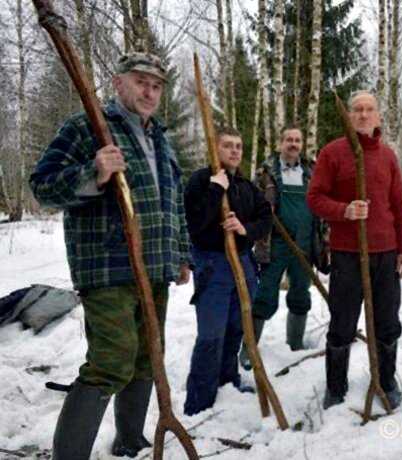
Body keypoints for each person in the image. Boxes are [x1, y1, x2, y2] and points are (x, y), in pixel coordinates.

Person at [29, 52, 192, 459]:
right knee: (111, 361)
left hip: (154, 267)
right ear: (118, 83)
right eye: (140, 82)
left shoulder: (160, 138)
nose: (149, 91)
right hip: (106, 266)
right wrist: (93, 172)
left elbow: (172, 203)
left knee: (145, 358)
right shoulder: (89, 126)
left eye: (156, 85)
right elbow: (42, 186)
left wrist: (181, 254)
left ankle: (130, 441)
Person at [307, 90, 402, 410]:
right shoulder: (333, 153)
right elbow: (314, 198)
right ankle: (335, 387)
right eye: (357, 110)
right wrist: (344, 211)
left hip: (386, 253)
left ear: (378, 116)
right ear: (349, 116)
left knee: (387, 322)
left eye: (369, 110)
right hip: (347, 254)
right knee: (342, 323)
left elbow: (400, 206)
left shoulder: (387, 156)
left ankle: (386, 380)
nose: (364, 115)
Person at [182, 128, 272, 415]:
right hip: (212, 264)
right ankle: (199, 401)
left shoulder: (246, 185)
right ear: (215, 148)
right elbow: (194, 223)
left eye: (238, 146)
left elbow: (266, 217)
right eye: (227, 146)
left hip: (243, 263)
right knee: (211, 333)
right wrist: (216, 189)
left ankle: (227, 381)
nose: (234, 151)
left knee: (236, 328)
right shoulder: (200, 181)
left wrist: (245, 228)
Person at [239, 127, 328, 370]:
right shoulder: (266, 172)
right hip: (274, 244)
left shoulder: (311, 171)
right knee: (264, 295)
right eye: (289, 139)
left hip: (306, 244)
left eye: (298, 140)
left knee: (301, 293)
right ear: (281, 143)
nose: (293, 144)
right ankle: (248, 349)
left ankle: (295, 346)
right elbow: (253, 205)